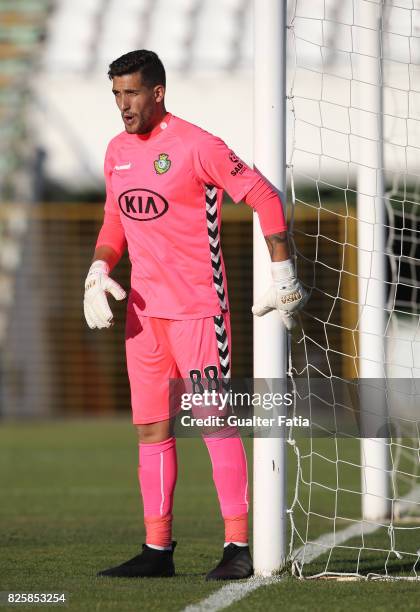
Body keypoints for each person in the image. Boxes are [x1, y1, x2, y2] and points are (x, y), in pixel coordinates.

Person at [83, 50, 306, 581]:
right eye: (116, 94)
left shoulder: (197, 145)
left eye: (132, 93)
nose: (123, 105)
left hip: (200, 312)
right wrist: (98, 268)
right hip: (143, 315)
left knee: (213, 423)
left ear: (158, 91)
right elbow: (115, 218)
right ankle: (157, 550)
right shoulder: (116, 150)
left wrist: (283, 275)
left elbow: (265, 196)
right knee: (151, 428)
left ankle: (237, 546)